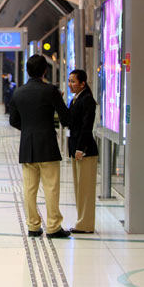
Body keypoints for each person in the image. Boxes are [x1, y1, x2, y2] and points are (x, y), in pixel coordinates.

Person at [9, 55, 70, 238]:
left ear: (27, 71)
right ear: (45, 70)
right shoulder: (51, 91)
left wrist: (28, 130)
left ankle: (33, 226)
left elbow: (13, 121)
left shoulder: (18, 92)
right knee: (50, 187)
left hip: (27, 146)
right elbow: (65, 118)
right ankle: (53, 226)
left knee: (29, 188)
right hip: (48, 145)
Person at [67, 69, 99, 234]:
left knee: (85, 189)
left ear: (82, 83)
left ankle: (85, 225)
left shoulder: (87, 100)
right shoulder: (76, 98)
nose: (70, 84)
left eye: (73, 81)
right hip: (76, 149)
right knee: (79, 188)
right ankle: (82, 221)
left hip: (85, 151)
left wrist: (81, 148)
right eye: (69, 81)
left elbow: (87, 126)